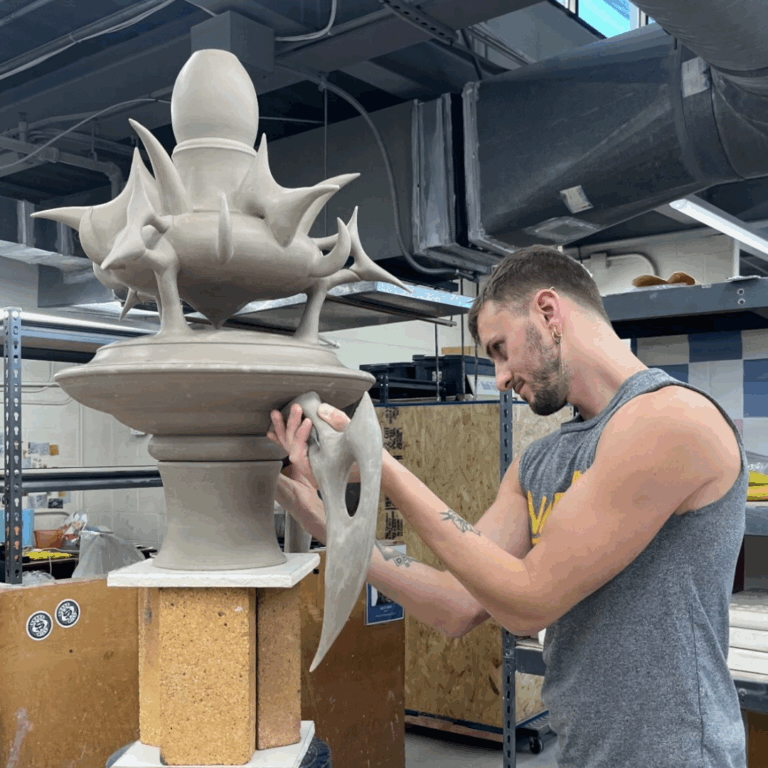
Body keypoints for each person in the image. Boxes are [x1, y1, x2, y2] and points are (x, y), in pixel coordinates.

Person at [268, 245, 747, 768]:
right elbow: (456, 605)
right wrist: (326, 521)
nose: (498, 378)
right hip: (584, 755)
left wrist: (382, 466)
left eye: (500, 348)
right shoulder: (538, 462)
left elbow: (529, 602)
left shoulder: (671, 420)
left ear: (548, 312)